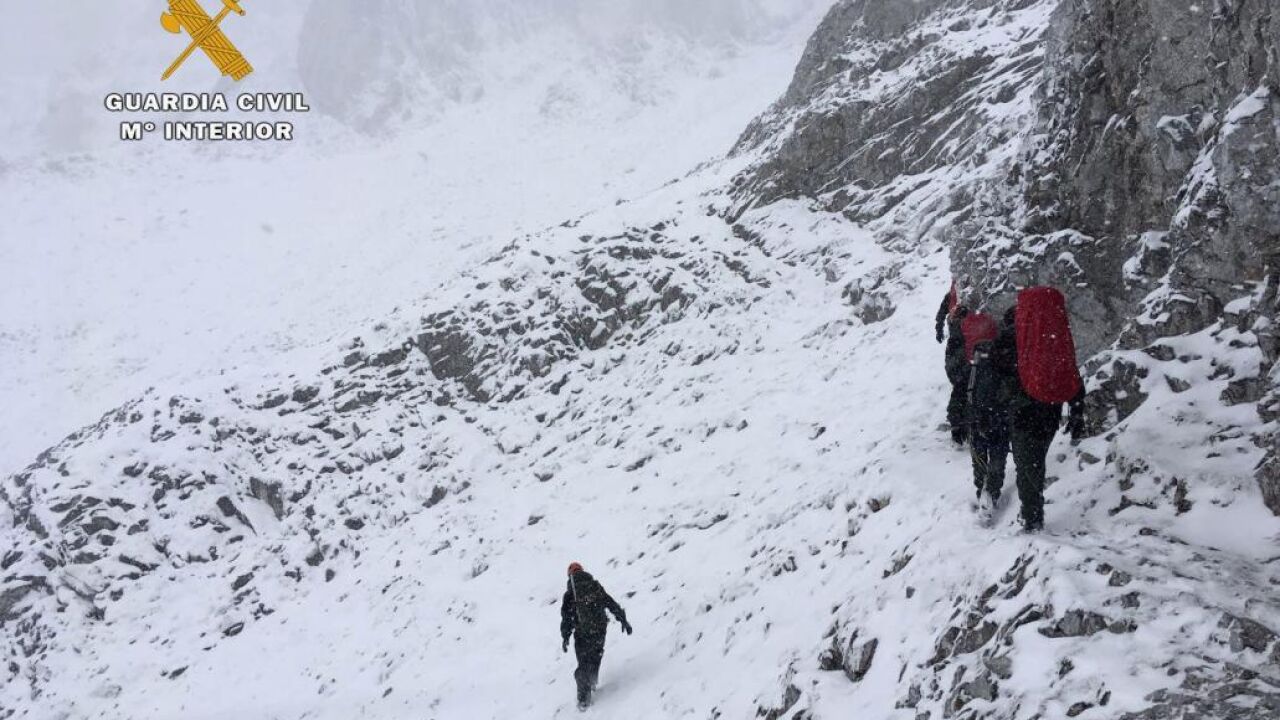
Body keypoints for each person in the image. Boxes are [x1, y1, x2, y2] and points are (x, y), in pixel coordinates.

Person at [992, 288, 1086, 532]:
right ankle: (1032, 513)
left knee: (1027, 467)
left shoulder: (1010, 338)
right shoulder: (1055, 339)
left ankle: (1031, 520)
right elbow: (1072, 374)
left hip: (1022, 413)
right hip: (1050, 411)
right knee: (1035, 462)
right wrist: (1077, 412)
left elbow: (995, 375)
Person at [561, 562, 632, 710]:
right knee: (595, 656)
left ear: (569, 576)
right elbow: (610, 603)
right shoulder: (594, 586)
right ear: (582, 571)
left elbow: (566, 619)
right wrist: (623, 620)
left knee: (583, 663)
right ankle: (592, 681)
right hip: (599, 631)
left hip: (582, 633)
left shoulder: (570, 594)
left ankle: (583, 700)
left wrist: (565, 637)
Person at [963, 312, 1005, 523]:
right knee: (998, 457)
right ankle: (992, 493)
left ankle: (982, 490)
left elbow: (959, 394)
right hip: (999, 419)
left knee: (979, 460)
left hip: (976, 420)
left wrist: (958, 422)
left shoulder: (971, 367)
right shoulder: (1001, 361)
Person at [935, 285, 970, 445]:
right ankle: (961, 425)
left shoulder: (953, 295)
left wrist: (939, 326)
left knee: (960, 388)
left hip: (958, 356)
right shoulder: (955, 295)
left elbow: (942, 310)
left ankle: (959, 425)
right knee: (963, 388)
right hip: (963, 355)